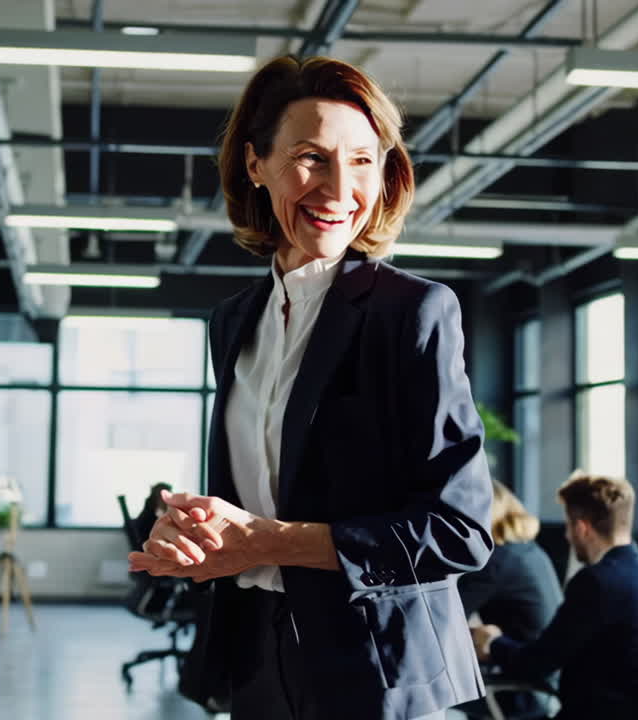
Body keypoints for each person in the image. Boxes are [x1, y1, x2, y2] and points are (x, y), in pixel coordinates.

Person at [127, 55, 493, 720]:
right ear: (254, 164)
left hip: (375, 668)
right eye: (311, 157)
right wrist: (199, 532)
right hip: (257, 653)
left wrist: (274, 540)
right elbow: (261, 491)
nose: (339, 187)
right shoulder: (235, 321)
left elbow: (458, 530)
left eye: (361, 160)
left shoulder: (411, 313)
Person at [470, 471, 638, 720]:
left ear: (582, 528)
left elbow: (537, 664)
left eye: (569, 526)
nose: (566, 536)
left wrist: (493, 642)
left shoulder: (596, 582)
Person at [457, 479, 562, 718]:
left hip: (521, 689)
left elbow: (447, 618)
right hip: (543, 683)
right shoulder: (528, 550)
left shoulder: (497, 561)